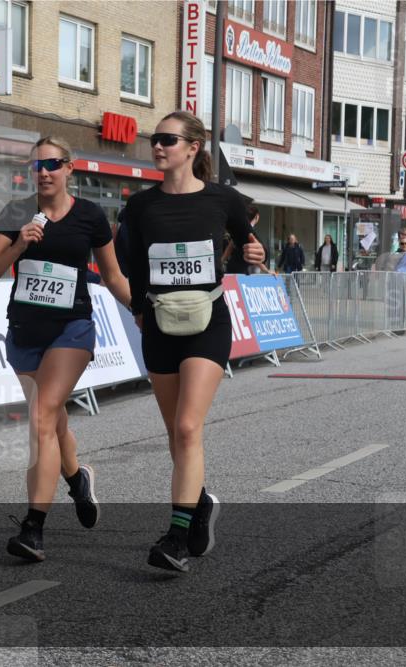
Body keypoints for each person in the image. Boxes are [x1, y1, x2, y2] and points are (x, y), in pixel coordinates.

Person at [0, 136, 131, 562]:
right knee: (54, 422)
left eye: (53, 164)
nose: (43, 172)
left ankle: (33, 529)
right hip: (25, 330)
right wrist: (20, 243)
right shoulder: (15, 213)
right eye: (37, 166)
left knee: (42, 417)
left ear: (69, 168)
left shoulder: (91, 216)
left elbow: (114, 277)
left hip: (72, 330)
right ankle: (78, 478)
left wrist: (143, 310)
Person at [122, 111, 264, 572]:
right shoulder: (140, 206)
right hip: (160, 324)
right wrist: (140, 310)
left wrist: (256, 253)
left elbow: (252, 246)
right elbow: (133, 266)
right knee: (175, 435)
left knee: (187, 428)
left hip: (209, 322)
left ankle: (176, 538)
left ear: (192, 147)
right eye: (154, 139)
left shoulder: (224, 200)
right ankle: (198, 503)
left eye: (167, 139)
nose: (158, 146)